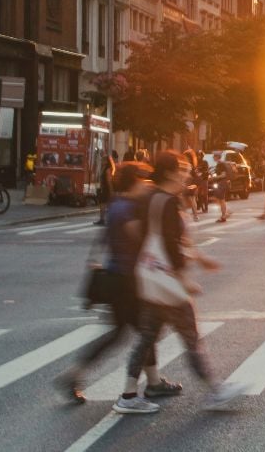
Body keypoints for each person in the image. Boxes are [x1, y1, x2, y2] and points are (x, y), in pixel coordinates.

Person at [116, 151, 245, 414]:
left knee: (147, 337)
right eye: (182, 169)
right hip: (168, 283)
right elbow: (170, 245)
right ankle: (216, 390)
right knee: (190, 337)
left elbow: (148, 237)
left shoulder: (149, 196)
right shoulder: (167, 202)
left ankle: (128, 395)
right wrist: (183, 277)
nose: (186, 173)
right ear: (171, 173)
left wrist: (199, 258)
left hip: (152, 277)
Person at [60, 162, 180, 404]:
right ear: (133, 181)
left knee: (129, 333)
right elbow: (139, 237)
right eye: (143, 180)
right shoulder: (125, 209)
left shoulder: (118, 205)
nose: (147, 185)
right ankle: (145, 384)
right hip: (125, 281)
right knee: (146, 330)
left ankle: (153, 381)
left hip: (121, 277)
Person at [94, 152, 118, 226]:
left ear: (107, 161)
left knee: (106, 204)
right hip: (103, 188)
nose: (102, 160)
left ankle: (107, 219)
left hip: (106, 189)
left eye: (103, 159)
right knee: (103, 204)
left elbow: (109, 180)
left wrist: (111, 191)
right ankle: (102, 219)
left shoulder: (107, 169)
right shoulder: (104, 168)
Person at [210, 155, 230, 223]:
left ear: (217, 157)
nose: (213, 158)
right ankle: (225, 214)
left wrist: (214, 178)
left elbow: (223, 175)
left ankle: (224, 215)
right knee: (220, 199)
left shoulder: (221, 164)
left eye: (214, 156)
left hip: (222, 183)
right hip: (221, 183)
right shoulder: (219, 164)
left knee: (220, 199)